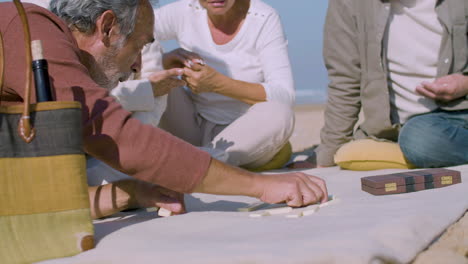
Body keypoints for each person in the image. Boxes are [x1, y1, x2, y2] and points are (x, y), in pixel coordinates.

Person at [0, 0, 328, 219]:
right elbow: (120, 137)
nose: (136, 66)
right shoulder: (29, 32)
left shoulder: (40, 39)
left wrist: (131, 192)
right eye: (140, 46)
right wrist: (260, 186)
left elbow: (41, 201)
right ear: (108, 27)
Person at [317, 0, 468, 168]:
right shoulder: (348, 4)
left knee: (419, 136)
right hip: (405, 131)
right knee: (418, 137)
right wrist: (326, 159)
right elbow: (344, 80)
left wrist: (465, 84)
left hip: (459, 114)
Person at [147, 0, 296, 170]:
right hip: (191, 124)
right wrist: (163, 61)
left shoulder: (264, 18)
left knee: (280, 113)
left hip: (245, 134)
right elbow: (127, 34)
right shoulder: (184, 10)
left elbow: (285, 94)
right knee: (153, 75)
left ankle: (200, 163)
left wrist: (217, 84)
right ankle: (207, 163)